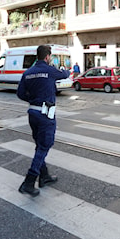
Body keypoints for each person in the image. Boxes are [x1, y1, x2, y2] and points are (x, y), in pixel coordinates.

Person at [16, 45, 71, 197]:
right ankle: (29, 181)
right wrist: (67, 69)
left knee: (40, 146)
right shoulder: (50, 70)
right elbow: (64, 74)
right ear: (47, 57)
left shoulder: (27, 73)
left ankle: (44, 176)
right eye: (50, 57)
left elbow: (20, 94)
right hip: (46, 114)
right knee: (44, 146)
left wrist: (33, 99)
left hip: (32, 113)